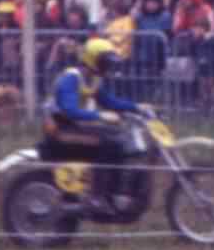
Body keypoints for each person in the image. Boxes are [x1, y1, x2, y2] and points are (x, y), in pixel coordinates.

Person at [44, 37, 143, 212]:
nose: (108, 67)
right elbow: (69, 110)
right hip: (59, 127)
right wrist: (100, 115)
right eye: (105, 63)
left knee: (119, 136)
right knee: (111, 143)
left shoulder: (92, 79)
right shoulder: (71, 78)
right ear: (92, 60)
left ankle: (113, 192)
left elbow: (109, 101)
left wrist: (137, 107)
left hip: (74, 125)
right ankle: (96, 196)